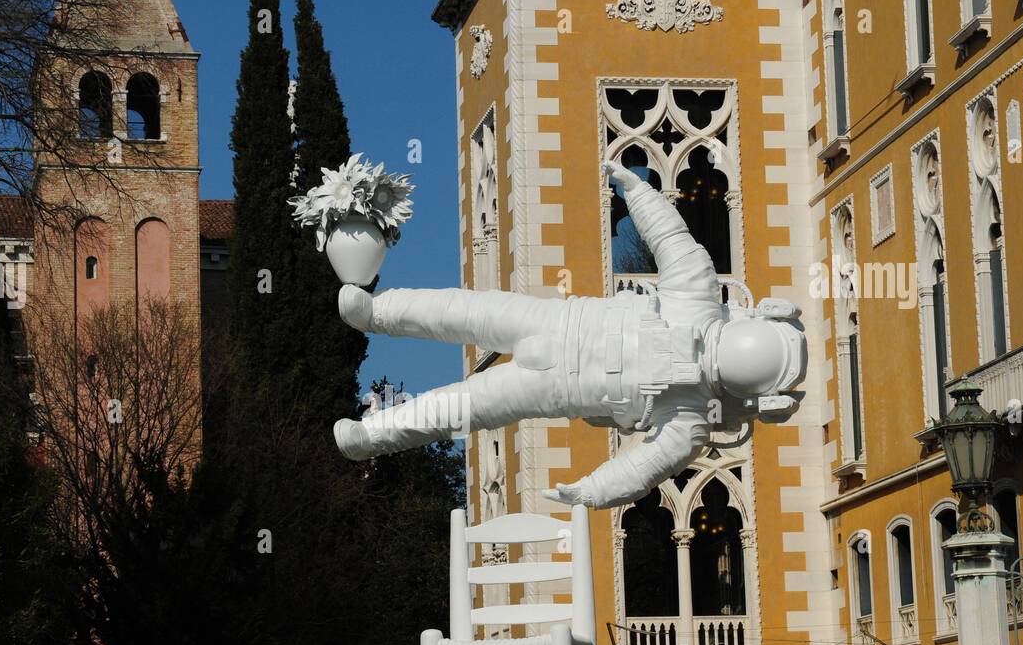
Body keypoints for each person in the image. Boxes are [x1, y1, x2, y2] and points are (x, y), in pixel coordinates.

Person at [332, 160, 806, 509]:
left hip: (552, 383)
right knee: (460, 320)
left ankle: (370, 430)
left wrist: (594, 490)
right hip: (554, 327)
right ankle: (373, 314)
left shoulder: (691, 412)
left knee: (461, 391)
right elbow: (671, 237)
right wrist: (635, 189)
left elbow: (644, 467)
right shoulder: (695, 335)